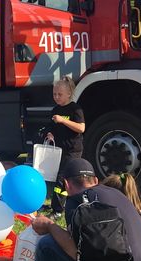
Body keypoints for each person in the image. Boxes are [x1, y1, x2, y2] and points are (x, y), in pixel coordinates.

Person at [30, 158, 141, 261]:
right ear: (95, 180)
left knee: (47, 245)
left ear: (66, 184)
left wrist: (49, 225)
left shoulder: (78, 201)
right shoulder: (118, 194)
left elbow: (76, 252)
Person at [43, 76, 85, 219]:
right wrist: (49, 134)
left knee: (62, 179)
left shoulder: (75, 109)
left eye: (59, 94)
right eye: (54, 94)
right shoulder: (55, 109)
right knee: (62, 179)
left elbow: (81, 128)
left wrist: (63, 120)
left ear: (69, 93)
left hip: (73, 150)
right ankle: (63, 204)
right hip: (59, 151)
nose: (56, 97)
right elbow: (51, 127)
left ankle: (57, 210)